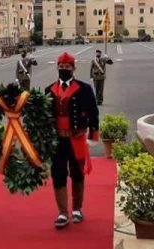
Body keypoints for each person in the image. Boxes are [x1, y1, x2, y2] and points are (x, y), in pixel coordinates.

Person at [45, 52, 99, 228]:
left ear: (73, 68)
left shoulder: (84, 89)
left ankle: (77, 209)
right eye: (61, 67)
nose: (64, 69)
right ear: (57, 68)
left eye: (67, 67)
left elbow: (93, 112)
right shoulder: (49, 90)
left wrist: (93, 135)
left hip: (76, 138)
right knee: (58, 174)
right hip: (57, 141)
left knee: (77, 174)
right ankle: (62, 212)